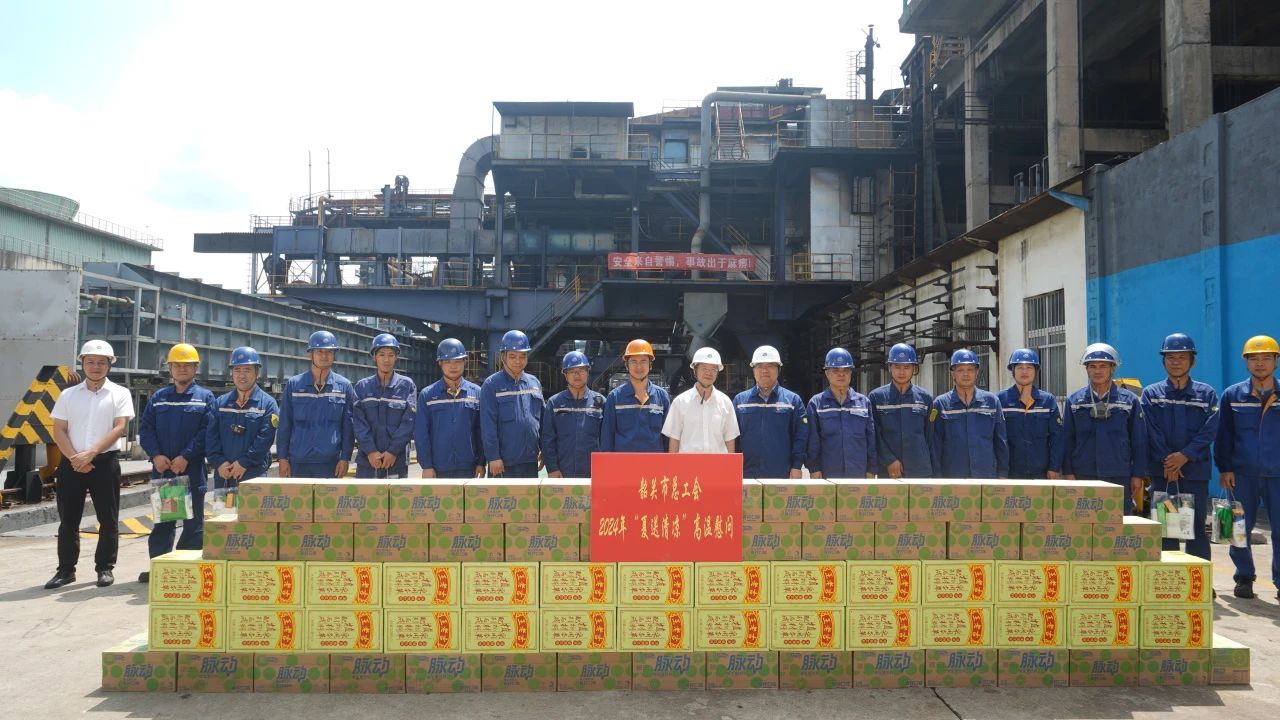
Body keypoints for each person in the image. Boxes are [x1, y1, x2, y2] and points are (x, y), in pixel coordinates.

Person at [45, 340, 134, 590]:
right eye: (91, 362)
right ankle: (66, 571)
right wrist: (75, 458)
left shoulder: (120, 393)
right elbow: (59, 429)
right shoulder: (68, 395)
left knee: (109, 518)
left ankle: (104, 568)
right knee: (68, 520)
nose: (96, 366)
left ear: (109, 365)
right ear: (82, 363)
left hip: (104, 463)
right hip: (71, 464)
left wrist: (91, 454)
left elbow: (119, 427)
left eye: (101, 362)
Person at [138, 343, 216, 582]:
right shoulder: (159, 398)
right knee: (164, 522)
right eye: (177, 365)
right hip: (165, 472)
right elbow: (146, 429)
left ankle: (184, 568)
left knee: (193, 525)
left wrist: (186, 456)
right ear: (170, 368)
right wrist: (155, 456)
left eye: (187, 365)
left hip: (191, 471)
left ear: (195, 368)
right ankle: (160, 567)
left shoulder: (205, 398)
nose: (182, 369)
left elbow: (207, 432)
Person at [1140, 333, 1219, 563]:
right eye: (1170, 357)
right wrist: (1169, 461)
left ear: (1192, 361)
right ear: (1163, 360)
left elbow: (1210, 430)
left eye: (1182, 357)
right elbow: (1150, 430)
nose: (1176, 362)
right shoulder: (1152, 394)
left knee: (1196, 527)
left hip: (1194, 472)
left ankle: (1198, 577)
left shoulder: (1207, 394)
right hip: (1162, 471)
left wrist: (1184, 456)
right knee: (1165, 527)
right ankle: (1168, 576)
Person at [1215, 334, 1280, 600]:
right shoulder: (1233, 395)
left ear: (1276, 361)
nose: (1260, 363)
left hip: (1278, 474)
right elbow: (1223, 435)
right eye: (1254, 358)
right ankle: (1244, 577)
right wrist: (1225, 468)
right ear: (1246, 362)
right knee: (1238, 527)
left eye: (1266, 358)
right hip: (1242, 474)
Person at [1062, 342, 1147, 513]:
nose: (1097, 371)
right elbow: (1067, 440)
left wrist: (1138, 475)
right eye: (1092, 366)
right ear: (1087, 369)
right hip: (1083, 474)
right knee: (1084, 522)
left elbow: (1139, 440)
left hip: (1119, 474)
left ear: (1113, 368)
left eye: (1103, 366)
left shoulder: (1129, 401)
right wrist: (1068, 472)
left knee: (1119, 522)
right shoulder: (1074, 401)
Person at [276, 330, 358, 478]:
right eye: (319, 351)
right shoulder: (294, 385)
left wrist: (345, 458)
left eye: (329, 352)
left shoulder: (344, 386)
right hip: (298, 462)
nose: (324, 356)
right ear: (310, 354)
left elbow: (348, 427)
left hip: (331, 463)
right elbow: (284, 425)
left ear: (334, 355)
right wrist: (282, 458)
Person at [206, 346, 278, 498]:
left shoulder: (268, 404)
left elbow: (265, 439)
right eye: (237, 370)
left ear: (257, 372)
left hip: (253, 475)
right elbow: (211, 436)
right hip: (224, 475)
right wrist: (219, 462)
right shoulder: (221, 403)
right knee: (223, 513)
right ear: (231, 372)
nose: (242, 375)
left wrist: (244, 462)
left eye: (247, 370)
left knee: (253, 513)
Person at [928, 349, 1009, 478]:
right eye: (960, 370)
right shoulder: (940, 404)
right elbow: (935, 445)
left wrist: (1003, 473)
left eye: (970, 369)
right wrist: (937, 476)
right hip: (953, 477)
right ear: (953, 373)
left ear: (976, 372)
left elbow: (1001, 441)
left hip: (986, 476)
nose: (966, 374)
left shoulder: (992, 402)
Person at [733, 345, 808, 478]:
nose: (765, 370)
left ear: (779, 369)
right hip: (746, 472)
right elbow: (733, 437)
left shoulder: (792, 401)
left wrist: (797, 466)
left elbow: (800, 436)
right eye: (760, 366)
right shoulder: (740, 401)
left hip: (781, 472)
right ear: (753, 370)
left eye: (770, 366)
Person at [479, 330, 544, 478]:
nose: (518, 361)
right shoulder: (491, 385)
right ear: (503, 357)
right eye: (513, 356)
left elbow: (542, 421)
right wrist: (493, 457)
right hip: (502, 463)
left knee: (529, 494)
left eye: (522, 356)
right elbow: (488, 424)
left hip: (530, 460)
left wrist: (544, 450)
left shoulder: (534, 383)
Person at [415, 338, 484, 478]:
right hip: (438, 468)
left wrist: (481, 462)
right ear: (440, 363)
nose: (453, 366)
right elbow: (421, 434)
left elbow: (481, 431)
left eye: (457, 361)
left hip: (468, 467)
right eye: (447, 362)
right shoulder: (427, 395)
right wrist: (427, 466)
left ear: (465, 362)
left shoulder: (477, 393)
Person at [352, 334, 417, 479]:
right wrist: (371, 451)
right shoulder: (362, 387)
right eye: (381, 354)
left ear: (396, 357)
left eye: (391, 355)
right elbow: (358, 422)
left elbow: (409, 422)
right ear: (374, 357)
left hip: (396, 460)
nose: (386, 359)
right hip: (367, 461)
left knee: (396, 495)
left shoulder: (407, 386)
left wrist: (393, 451)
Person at [805, 347, 876, 479]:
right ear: (827, 373)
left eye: (845, 370)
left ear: (851, 373)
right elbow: (812, 440)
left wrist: (872, 469)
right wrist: (814, 468)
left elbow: (871, 438)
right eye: (836, 370)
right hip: (827, 473)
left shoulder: (864, 403)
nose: (841, 374)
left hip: (858, 473)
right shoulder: (816, 404)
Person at [868, 343, 934, 478]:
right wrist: (889, 460)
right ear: (889, 368)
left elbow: (930, 436)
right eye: (897, 367)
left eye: (907, 367)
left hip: (920, 469)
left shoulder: (925, 398)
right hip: (888, 471)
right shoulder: (876, 397)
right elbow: (874, 434)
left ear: (914, 368)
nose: (902, 372)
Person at [998, 348, 1064, 479]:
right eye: (1020, 367)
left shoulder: (1047, 401)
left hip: (1041, 473)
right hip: (1010, 473)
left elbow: (1057, 437)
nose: (1024, 372)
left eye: (1029, 367)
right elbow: (996, 439)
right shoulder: (1000, 400)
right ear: (1013, 371)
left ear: (1035, 371)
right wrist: (1000, 472)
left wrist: (1054, 467)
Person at [662, 347, 739, 453]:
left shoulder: (726, 403)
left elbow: (729, 439)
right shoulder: (680, 402)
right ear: (695, 370)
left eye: (713, 369)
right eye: (704, 368)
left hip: (717, 463)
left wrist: (730, 464)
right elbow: (674, 440)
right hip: (688, 463)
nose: (709, 373)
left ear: (717, 372)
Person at [541, 350, 605, 478]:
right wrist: (552, 468)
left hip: (593, 471)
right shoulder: (554, 403)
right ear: (565, 375)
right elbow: (548, 439)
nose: (577, 375)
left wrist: (603, 469)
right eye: (571, 371)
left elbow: (606, 439)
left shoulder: (601, 402)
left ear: (588, 372)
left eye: (581, 370)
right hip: (563, 471)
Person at [600, 339, 671, 452]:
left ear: (650, 365)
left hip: (654, 462)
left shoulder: (662, 396)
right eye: (634, 361)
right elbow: (607, 437)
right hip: (624, 462)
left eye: (643, 361)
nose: (639, 367)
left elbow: (668, 436)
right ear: (626, 365)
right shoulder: (615, 397)